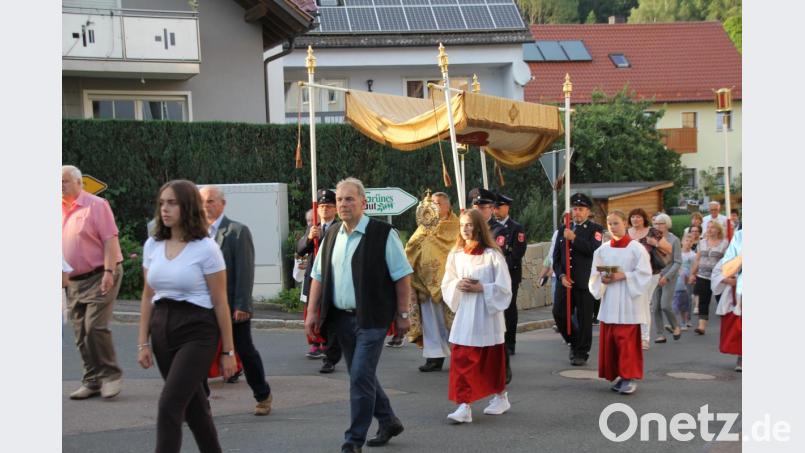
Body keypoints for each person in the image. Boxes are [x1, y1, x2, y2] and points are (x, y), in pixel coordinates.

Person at [304, 177, 413, 453]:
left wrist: (403, 314)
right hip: (341, 319)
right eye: (339, 199)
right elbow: (317, 276)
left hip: (372, 318)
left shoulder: (383, 234)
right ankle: (388, 420)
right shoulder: (331, 235)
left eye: (349, 199)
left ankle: (353, 441)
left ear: (363, 203)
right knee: (359, 374)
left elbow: (402, 277)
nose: (342, 204)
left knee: (360, 374)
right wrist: (312, 312)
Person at [136, 180, 237, 453]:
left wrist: (228, 351)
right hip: (162, 327)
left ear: (187, 206)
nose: (165, 209)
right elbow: (148, 295)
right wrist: (143, 342)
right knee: (194, 407)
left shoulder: (206, 248)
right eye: (161, 203)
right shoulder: (152, 245)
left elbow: (220, 301)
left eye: (172, 203)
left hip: (197, 330)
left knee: (170, 404)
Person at [199, 185, 273, 416]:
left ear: (222, 203)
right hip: (202, 306)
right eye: (202, 201)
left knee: (244, 350)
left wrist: (243, 304)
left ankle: (263, 395)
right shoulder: (195, 233)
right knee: (199, 353)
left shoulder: (237, 231)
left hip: (232, 305)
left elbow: (245, 270)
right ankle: (201, 404)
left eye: (211, 200)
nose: (206, 205)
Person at [441, 209, 512, 423]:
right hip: (466, 315)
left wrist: (483, 288)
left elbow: (505, 287)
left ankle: (501, 397)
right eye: (462, 225)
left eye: (470, 225)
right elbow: (447, 282)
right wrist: (457, 285)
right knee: (462, 357)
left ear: (479, 227)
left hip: (487, 315)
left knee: (491, 361)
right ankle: (464, 405)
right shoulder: (456, 255)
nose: (466, 229)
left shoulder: (492, 256)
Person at [62, 165, 125, 400]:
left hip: (101, 273)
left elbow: (110, 240)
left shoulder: (96, 206)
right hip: (73, 281)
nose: (59, 185)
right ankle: (92, 380)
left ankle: (110, 376)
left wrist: (109, 271)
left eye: (64, 181)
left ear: (79, 183)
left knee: (94, 327)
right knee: (79, 332)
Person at [589, 210, 652, 395]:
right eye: (609, 223)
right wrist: (603, 280)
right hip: (610, 301)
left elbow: (645, 274)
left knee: (626, 342)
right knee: (612, 341)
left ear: (625, 223)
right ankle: (618, 374)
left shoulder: (636, 248)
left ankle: (629, 377)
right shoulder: (602, 249)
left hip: (628, 302)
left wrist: (623, 275)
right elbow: (595, 274)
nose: (612, 227)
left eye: (616, 223)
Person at [404, 191, 459, 372]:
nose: (434, 206)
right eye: (432, 203)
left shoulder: (456, 226)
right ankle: (434, 357)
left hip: (449, 285)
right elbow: (410, 248)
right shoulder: (423, 227)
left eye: (438, 203)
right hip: (424, 285)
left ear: (447, 206)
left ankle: (460, 356)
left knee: (453, 322)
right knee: (430, 322)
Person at [552, 193, 604, 366]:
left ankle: (581, 352)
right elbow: (557, 257)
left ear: (588, 211)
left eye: (581, 209)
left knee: (584, 319)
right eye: (574, 209)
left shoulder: (594, 229)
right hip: (565, 281)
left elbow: (593, 250)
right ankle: (573, 342)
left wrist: (574, 239)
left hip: (584, 281)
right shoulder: (563, 229)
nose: (577, 212)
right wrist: (561, 275)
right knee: (559, 313)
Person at [297, 189, 343, 373]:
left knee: (330, 319)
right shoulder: (313, 227)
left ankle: (330, 357)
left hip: (332, 280)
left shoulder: (341, 227)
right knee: (313, 315)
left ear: (335, 209)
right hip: (314, 280)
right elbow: (300, 249)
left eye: (329, 207)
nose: (325, 210)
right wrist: (310, 238)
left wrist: (322, 238)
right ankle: (318, 342)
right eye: (322, 206)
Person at [627, 208, 672, 350]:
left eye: (638, 217)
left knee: (644, 303)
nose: (635, 219)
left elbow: (669, 249)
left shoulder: (653, 232)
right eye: (633, 217)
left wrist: (655, 243)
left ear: (644, 219)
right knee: (632, 303)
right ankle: (633, 334)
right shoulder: (627, 233)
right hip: (631, 274)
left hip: (651, 273)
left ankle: (644, 338)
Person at [492, 193, 527, 358]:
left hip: (510, 273)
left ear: (507, 208)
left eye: (498, 207)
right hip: (494, 274)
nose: (495, 210)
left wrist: (502, 268)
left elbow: (518, 252)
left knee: (509, 309)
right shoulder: (490, 226)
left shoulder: (516, 228)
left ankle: (510, 342)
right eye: (494, 207)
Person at [688, 221, 729, 335]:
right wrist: (692, 274)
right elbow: (697, 259)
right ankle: (701, 326)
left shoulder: (724, 244)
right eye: (708, 227)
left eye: (712, 228)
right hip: (702, 275)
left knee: (721, 301)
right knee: (703, 301)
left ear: (718, 230)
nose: (710, 230)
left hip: (718, 277)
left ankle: (726, 326)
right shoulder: (702, 243)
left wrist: (727, 275)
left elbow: (728, 261)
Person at [712, 229, 742, 372]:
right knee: (738, 329)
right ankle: (741, 357)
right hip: (736, 298)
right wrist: (729, 280)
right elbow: (717, 273)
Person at [650, 213, 682, 343]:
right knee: (655, 306)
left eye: (661, 223)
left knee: (665, 305)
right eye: (656, 223)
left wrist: (667, 277)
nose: (658, 226)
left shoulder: (674, 240)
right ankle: (660, 334)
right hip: (655, 275)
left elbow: (678, 261)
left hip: (669, 275)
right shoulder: (651, 238)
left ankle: (675, 326)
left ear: (667, 224)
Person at [673, 233, 696, 331]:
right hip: (677, 280)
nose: (688, 243)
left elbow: (694, 268)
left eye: (691, 241)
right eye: (686, 240)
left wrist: (692, 276)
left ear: (693, 243)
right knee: (676, 301)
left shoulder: (693, 255)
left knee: (686, 301)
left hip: (687, 280)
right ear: (682, 242)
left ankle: (685, 320)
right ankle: (676, 322)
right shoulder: (677, 253)